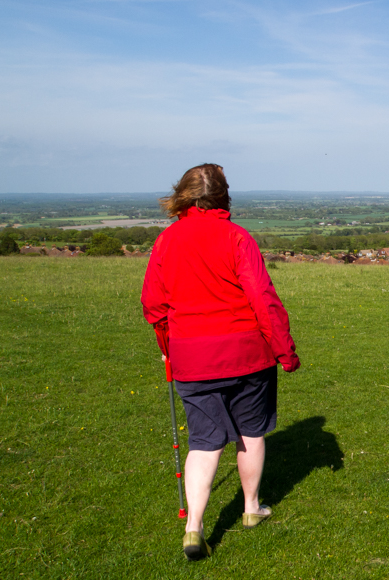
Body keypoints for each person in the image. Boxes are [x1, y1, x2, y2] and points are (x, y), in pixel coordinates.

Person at [141, 163, 300, 560]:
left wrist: (168, 344)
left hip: (192, 356)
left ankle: (193, 527)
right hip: (248, 354)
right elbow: (263, 298)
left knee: (204, 442)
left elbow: (154, 305)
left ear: (184, 194)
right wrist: (284, 351)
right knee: (251, 432)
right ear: (223, 196)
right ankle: (251, 508)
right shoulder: (236, 237)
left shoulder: (167, 241)